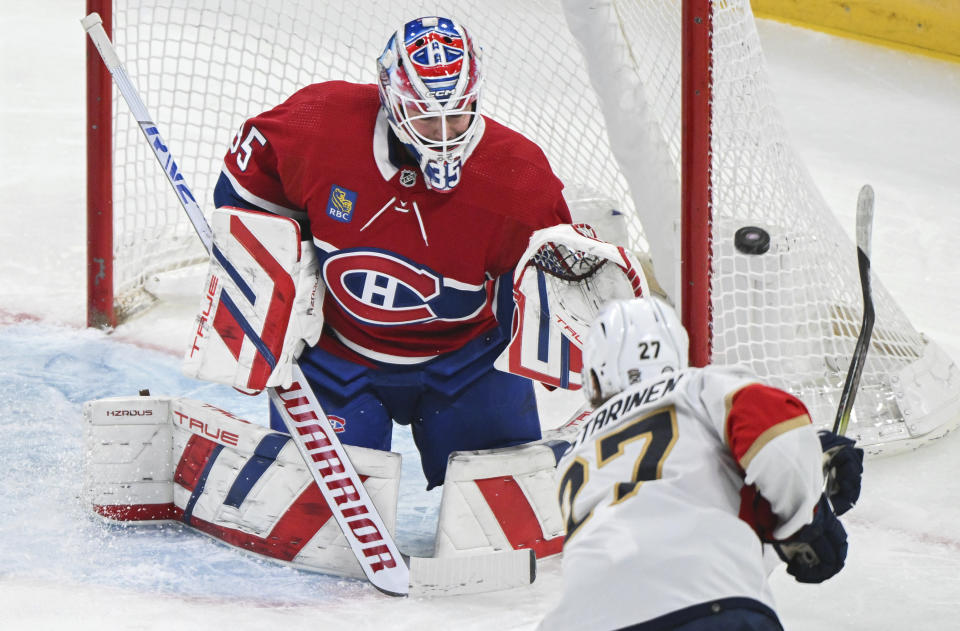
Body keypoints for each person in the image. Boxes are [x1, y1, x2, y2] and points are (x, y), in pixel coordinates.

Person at [211, 16, 571, 489]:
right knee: (317, 510)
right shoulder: (318, 123)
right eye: (425, 117)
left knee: (502, 510)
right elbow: (243, 197)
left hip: (467, 362)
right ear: (390, 98)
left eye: (457, 115)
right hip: (336, 354)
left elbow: (553, 291)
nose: (443, 135)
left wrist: (563, 343)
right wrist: (263, 297)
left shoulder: (520, 177)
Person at [540, 298, 863, 631]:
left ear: (596, 374)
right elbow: (776, 435)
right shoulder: (698, 386)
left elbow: (651, 532)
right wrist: (805, 519)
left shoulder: (573, 455)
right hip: (708, 605)